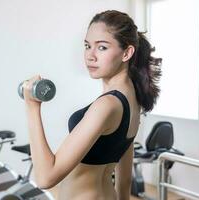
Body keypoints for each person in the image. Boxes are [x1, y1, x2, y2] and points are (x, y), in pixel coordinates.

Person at [22, 10, 162, 200]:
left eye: (102, 47)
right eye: (87, 46)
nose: (90, 56)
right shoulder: (132, 99)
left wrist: (32, 106)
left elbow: (46, 178)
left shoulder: (107, 106)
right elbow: (124, 178)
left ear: (127, 53)